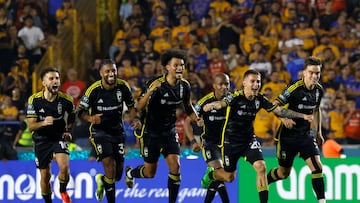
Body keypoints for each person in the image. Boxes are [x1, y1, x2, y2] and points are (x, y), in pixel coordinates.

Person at [201, 70, 313, 203]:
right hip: (230, 142)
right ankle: (211, 175)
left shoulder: (260, 99)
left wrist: (302, 116)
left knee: (261, 166)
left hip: (249, 140)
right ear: (244, 83)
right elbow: (222, 103)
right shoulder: (235, 97)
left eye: (258, 81)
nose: (256, 84)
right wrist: (212, 105)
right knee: (229, 177)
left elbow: (279, 110)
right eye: (252, 81)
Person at [124, 48, 202, 203]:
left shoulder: (184, 86)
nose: (180, 68)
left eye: (182, 65)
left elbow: (187, 106)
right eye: (176, 65)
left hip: (169, 131)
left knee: (176, 167)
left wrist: (196, 118)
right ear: (167, 67)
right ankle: (131, 173)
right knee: (149, 173)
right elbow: (138, 107)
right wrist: (150, 91)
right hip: (150, 132)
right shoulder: (155, 83)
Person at [266, 56, 326, 203]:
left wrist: (318, 131)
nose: (314, 76)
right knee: (283, 173)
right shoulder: (294, 88)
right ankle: (266, 179)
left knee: (317, 167)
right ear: (304, 72)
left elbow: (317, 110)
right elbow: (274, 105)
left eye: (317, 73)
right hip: (287, 137)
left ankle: (322, 201)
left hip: (305, 135)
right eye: (311, 72)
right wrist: (282, 118)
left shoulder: (319, 90)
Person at [78, 59, 137, 203]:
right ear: (101, 73)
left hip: (117, 131)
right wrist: (91, 118)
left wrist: (135, 118)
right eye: (107, 71)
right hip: (99, 132)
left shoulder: (123, 86)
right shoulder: (93, 90)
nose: (111, 74)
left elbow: (131, 106)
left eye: (113, 71)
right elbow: (79, 112)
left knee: (116, 175)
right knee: (109, 164)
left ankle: (101, 179)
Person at [26, 67, 75, 203]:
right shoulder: (34, 100)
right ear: (44, 82)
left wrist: (67, 130)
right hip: (41, 140)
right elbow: (31, 126)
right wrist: (43, 123)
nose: (55, 81)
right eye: (51, 79)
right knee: (45, 175)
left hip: (58, 136)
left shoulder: (66, 100)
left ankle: (63, 191)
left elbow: (72, 115)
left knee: (64, 167)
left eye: (57, 78)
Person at [184, 72, 230, 203]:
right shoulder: (204, 102)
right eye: (220, 84)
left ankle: (209, 176)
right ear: (214, 85)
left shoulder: (232, 101)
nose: (224, 87)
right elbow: (187, 122)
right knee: (220, 173)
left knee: (220, 177)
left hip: (227, 144)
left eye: (226, 84)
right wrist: (193, 140)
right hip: (210, 143)